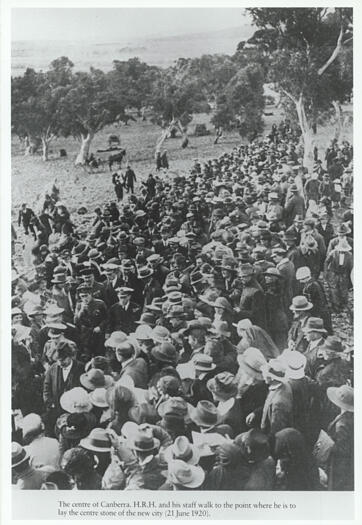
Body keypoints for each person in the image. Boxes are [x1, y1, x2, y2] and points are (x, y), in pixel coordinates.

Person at [326, 385, 354, 491]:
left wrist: (328, 443)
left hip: (338, 464)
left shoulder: (341, 424)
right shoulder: (349, 417)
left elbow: (343, 449)